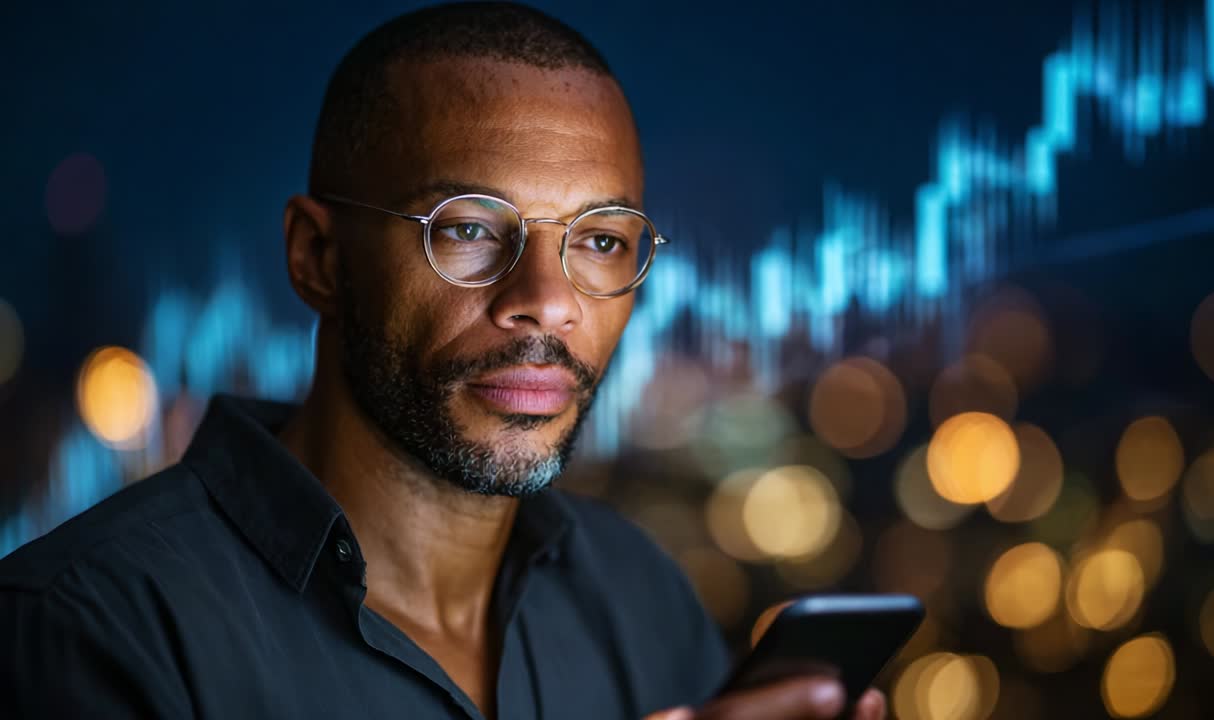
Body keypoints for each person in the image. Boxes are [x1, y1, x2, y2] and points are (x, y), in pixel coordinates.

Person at [0, 3, 885, 718]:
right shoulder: (87, 632)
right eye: (466, 229)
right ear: (318, 258)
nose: (548, 298)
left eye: (603, 240)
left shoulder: (638, 594)